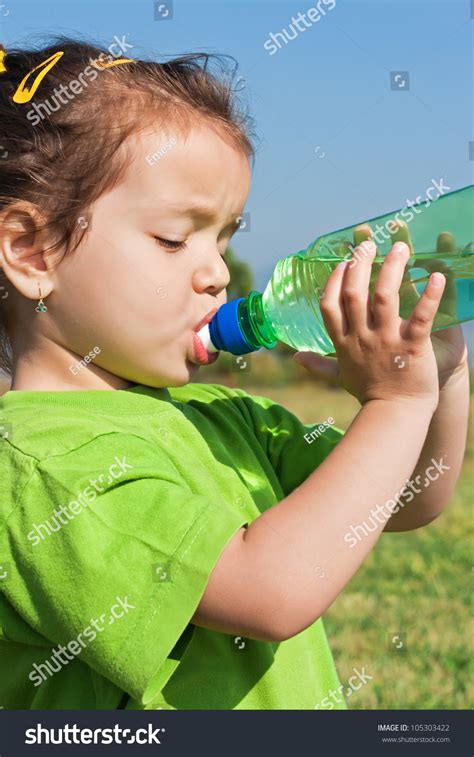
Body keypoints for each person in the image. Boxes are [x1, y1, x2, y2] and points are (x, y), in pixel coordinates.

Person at [0, 38, 469, 710]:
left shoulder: (224, 416)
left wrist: (439, 377)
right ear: (32, 250)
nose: (218, 272)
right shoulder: (38, 469)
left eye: (224, 238)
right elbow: (271, 590)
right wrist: (393, 404)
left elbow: (406, 498)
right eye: (174, 238)